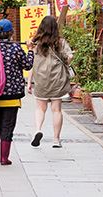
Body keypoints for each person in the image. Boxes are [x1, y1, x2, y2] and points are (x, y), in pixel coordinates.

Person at [0, 18, 34, 165]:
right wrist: (30, 50)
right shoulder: (16, 49)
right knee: (8, 126)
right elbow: (27, 65)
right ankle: (4, 158)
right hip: (12, 96)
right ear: (11, 33)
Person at [27, 15, 73, 148]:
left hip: (41, 79)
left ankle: (38, 130)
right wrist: (66, 60)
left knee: (40, 108)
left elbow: (32, 63)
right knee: (56, 110)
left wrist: (29, 82)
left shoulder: (36, 43)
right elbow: (69, 57)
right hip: (57, 79)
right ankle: (56, 140)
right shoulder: (60, 42)